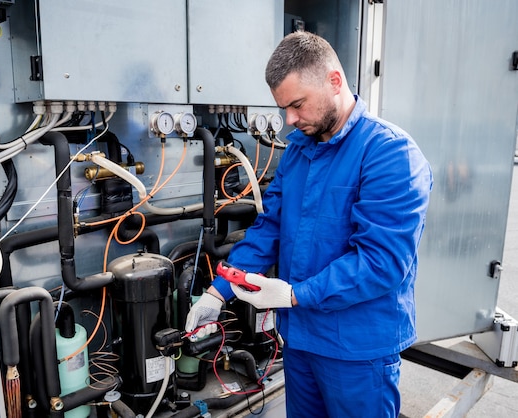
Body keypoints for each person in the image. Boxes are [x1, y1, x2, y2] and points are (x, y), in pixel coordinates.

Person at [185, 31, 433, 417]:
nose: (290, 119)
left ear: (334, 81)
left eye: (297, 105)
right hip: (300, 340)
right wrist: (219, 292)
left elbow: (380, 264)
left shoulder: (390, 154)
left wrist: (292, 296)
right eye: (284, 108)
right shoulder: (300, 149)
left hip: (357, 350)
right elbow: (270, 228)